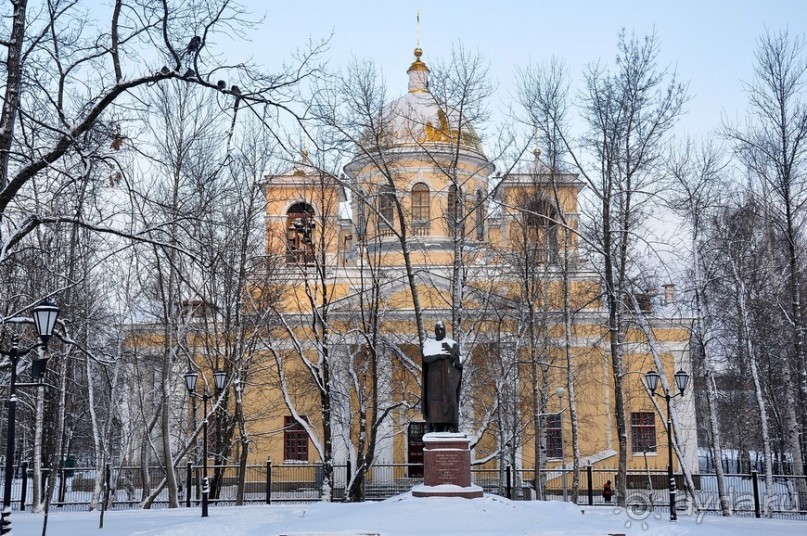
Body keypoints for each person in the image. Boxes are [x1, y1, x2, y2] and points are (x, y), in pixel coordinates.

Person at [421, 321, 463, 433]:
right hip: (433, 383)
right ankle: (435, 427)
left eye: (441, 329)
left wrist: (451, 354)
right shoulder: (428, 344)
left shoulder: (452, 344)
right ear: (434, 331)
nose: (439, 332)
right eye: (437, 329)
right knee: (434, 406)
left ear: (445, 330)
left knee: (451, 403)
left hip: (449, 381)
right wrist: (442, 355)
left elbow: (459, 363)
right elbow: (426, 357)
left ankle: (452, 427)